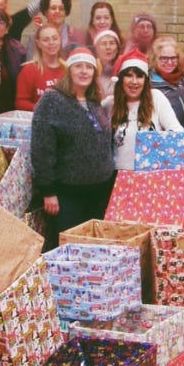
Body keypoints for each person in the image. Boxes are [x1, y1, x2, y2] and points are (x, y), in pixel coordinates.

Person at [30, 47, 115, 236]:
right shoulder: (52, 101)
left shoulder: (94, 102)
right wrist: (48, 191)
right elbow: (41, 150)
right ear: (69, 71)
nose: (84, 71)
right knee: (70, 247)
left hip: (99, 192)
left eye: (89, 67)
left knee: (92, 247)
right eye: (78, 66)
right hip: (68, 194)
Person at [105, 50, 183, 170]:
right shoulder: (111, 104)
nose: (134, 81)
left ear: (145, 80)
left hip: (151, 175)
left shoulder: (156, 97)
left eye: (139, 76)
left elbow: (177, 132)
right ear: (121, 79)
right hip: (119, 174)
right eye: (129, 75)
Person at [15, 24, 65, 111]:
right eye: (46, 40)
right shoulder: (29, 70)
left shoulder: (68, 69)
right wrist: (42, 110)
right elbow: (20, 102)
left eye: (55, 38)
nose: (51, 43)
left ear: (60, 40)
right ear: (38, 43)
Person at [148, 35, 184, 126]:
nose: (170, 62)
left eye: (173, 58)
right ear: (154, 58)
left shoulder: (182, 81)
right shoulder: (150, 84)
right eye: (164, 58)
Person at [93, 29, 122, 98]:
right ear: (96, 48)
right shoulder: (91, 69)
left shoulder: (123, 67)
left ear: (117, 48)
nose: (108, 47)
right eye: (103, 44)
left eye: (112, 43)